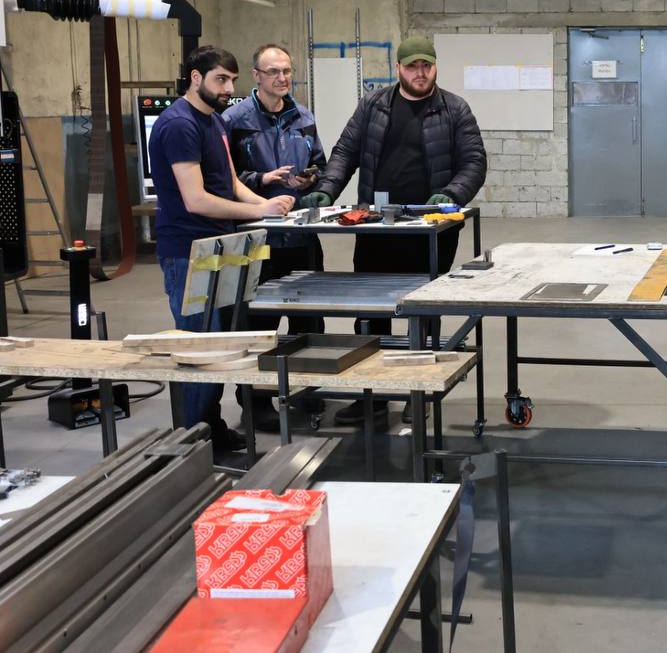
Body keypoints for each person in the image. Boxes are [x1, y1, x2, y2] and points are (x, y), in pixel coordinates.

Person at [299, 35, 487, 425]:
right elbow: (345, 152)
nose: (420, 73)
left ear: (435, 67)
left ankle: (419, 392)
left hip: (430, 229)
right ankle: (372, 397)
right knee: (370, 313)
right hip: (377, 226)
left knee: (424, 311)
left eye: (426, 66)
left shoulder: (455, 109)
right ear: (398, 68)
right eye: (412, 66)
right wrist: (327, 190)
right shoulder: (373, 105)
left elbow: (474, 161)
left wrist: (452, 194)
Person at [149, 45, 294, 456]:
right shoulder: (179, 125)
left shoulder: (214, 120)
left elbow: (229, 183)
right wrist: (260, 210)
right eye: (221, 80)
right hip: (188, 252)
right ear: (195, 78)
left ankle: (210, 429)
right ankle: (193, 444)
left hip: (220, 247)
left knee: (220, 344)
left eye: (232, 80)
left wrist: (272, 208)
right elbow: (195, 199)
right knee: (200, 349)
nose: (229, 89)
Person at [224, 43, 328, 432]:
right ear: (256, 76)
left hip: (301, 235)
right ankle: (255, 401)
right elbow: (222, 177)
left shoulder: (303, 116)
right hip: (256, 239)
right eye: (273, 72)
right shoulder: (234, 119)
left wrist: (310, 178)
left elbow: (320, 163)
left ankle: (306, 389)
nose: (282, 78)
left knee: (309, 321)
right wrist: (262, 179)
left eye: (286, 71)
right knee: (256, 323)